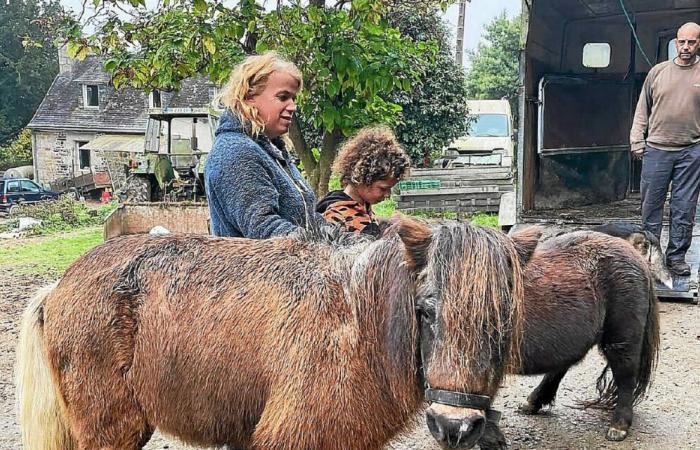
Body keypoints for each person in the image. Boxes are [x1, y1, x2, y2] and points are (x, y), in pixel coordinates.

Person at [205, 52, 324, 238]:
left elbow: (310, 220)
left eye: (294, 99)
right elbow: (264, 229)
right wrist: (332, 250)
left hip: (296, 264)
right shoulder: (236, 153)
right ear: (249, 96)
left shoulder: (272, 152)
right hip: (252, 266)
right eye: (283, 97)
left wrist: (345, 239)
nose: (293, 106)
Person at [630, 22, 700, 276]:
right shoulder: (657, 72)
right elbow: (642, 109)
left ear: (698, 43)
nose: (685, 47)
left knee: (684, 207)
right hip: (656, 150)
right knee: (651, 207)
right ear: (675, 42)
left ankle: (676, 258)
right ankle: (650, 257)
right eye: (681, 42)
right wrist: (637, 138)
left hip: (691, 151)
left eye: (691, 42)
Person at [316, 127, 411, 237]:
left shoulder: (362, 207)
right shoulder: (336, 217)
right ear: (361, 178)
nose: (388, 195)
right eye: (383, 188)